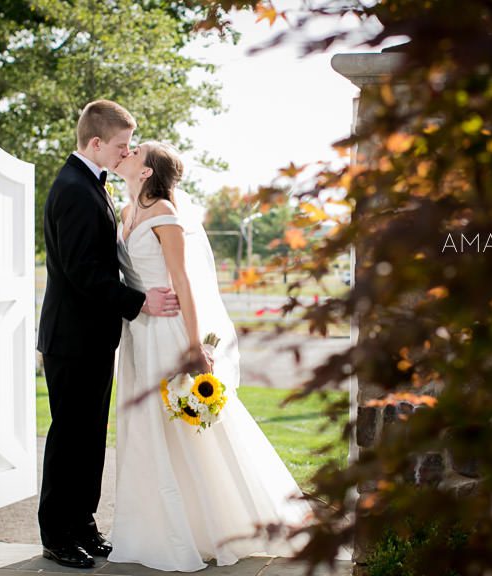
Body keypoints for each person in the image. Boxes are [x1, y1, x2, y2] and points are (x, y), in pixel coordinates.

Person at [107, 141, 311, 571]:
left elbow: (183, 281)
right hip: (138, 332)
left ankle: (224, 524)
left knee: (186, 430)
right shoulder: (126, 213)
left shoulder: (165, 213)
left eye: (137, 151)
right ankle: (153, 528)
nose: (128, 152)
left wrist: (194, 345)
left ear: (146, 171)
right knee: (145, 431)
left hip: (167, 332)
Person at [36, 101, 181, 569]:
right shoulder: (74, 189)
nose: (127, 153)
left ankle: (83, 524)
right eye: (121, 145)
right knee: (70, 438)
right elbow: (83, 273)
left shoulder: (91, 184)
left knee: (90, 436)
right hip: (71, 339)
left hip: (93, 337)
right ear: (96, 143)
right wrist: (139, 302)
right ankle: (57, 535)